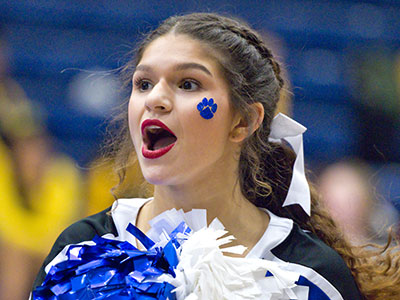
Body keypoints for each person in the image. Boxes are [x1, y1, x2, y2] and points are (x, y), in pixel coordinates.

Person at [31, 13, 399, 299]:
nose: (154, 99)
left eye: (188, 84)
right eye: (143, 83)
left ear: (244, 121)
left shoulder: (308, 274)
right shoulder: (81, 253)